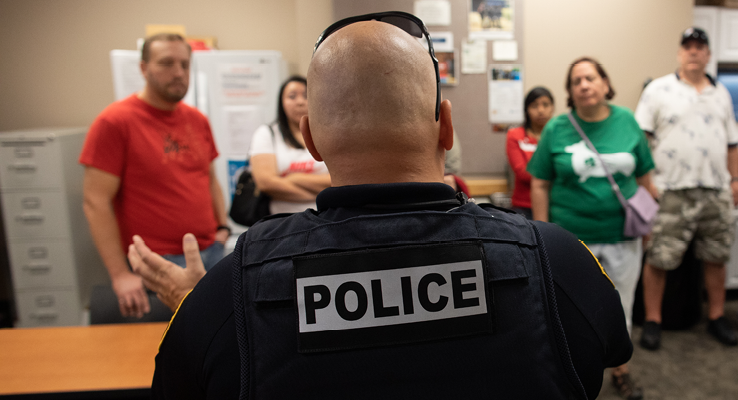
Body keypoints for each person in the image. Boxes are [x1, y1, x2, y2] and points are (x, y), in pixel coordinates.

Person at [141, 12, 632, 399]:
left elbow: (189, 382)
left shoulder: (233, 287)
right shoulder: (558, 261)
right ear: (446, 126)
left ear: (311, 140)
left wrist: (196, 308)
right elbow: (605, 351)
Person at [528, 56, 656, 400]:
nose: (583, 85)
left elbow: (645, 177)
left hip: (622, 235)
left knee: (622, 305)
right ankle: (574, 371)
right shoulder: (556, 128)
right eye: (576, 81)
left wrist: (650, 225)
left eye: (590, 78)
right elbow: (539, 182)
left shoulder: (628, 122)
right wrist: (541, 232)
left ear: (604, 83)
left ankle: (621, 369)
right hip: (571, 240)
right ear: (570, 91)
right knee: (571, 309)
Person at [80, 33, 229, 319]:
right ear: (143, 68)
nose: (178, 72)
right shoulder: (115, 122)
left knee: (211, 342)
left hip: (209, 254)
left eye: (185, 64)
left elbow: (209, 179)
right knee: (167, 350)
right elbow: (95, 202)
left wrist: (221, 227)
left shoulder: (197, 120)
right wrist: (120, 275)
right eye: (167, 63)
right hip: (156, 264)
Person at [634, 27, 738, 348]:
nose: (694, 52)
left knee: (716, 256)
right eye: (688, 47)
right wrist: (647, 182)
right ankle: (653, 319)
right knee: (658, 258)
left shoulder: (721, 93)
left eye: (700, 47)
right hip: (670, 190)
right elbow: (642, 141)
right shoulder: (658, 90)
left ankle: (717, 316)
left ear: (708, 54)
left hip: (715, 189)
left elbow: (733, 144)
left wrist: (735, 180)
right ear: (680, 53)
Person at [248, 76, 330, 214]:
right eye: (292, 97)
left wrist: (295, 178)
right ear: (281, 103)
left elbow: (338, 181)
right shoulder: (266, 134)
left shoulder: (328, 132)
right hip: (282, 222)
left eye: (306, 96)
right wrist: (320, 195)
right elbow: (266, 183)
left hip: (326, 218)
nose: (300, 102)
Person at [506, 86, 554, 218]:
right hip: (524, 207)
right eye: (534, 106)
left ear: (552, 108)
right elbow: (522, 173)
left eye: (545, 105)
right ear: (526, 110)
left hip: (554, 204)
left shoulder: (558, 136)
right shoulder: (515, 135)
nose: (540, 110)